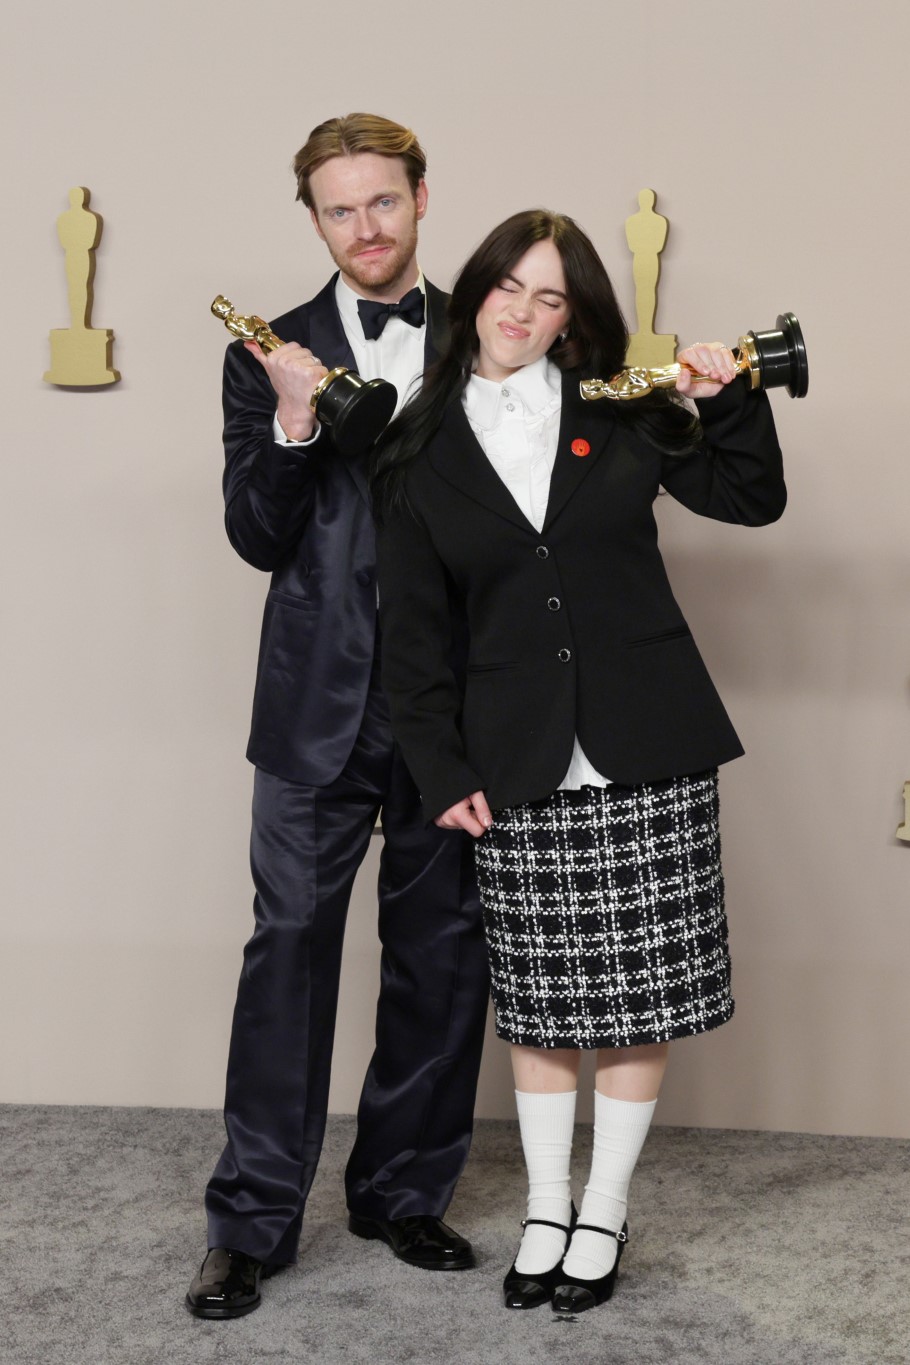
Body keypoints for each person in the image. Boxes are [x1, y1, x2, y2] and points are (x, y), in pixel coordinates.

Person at [371, 209, 786, 1316]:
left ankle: (602, 1211)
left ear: (572, 319)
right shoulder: (414, 445)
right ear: (476, 293)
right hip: (513, 757)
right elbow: (411, 638)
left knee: (636, 997)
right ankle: (544, 1209)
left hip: (646, 742)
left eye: (549, 297)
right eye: (508, 285)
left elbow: (751, 499)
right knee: (547, 1006)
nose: (521, 310)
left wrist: (725, 397)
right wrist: (436, 763)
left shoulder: (626, 414)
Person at [186, 113, 490, 1321]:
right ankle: (252, 1222)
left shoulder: (494, 334)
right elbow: (259, 537)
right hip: (315, 708)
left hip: (456, 710)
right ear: (312, 220)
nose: (364, 227)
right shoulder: (268, 351)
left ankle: (404, 1193)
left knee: (442, 958)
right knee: (288, 957)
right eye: (338, 209)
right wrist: (296, 422)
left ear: (422, 198)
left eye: (383, 201)